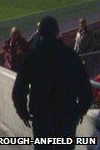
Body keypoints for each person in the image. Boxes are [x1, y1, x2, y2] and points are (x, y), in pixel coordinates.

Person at [12, 16, 93, 150]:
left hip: (42, 116)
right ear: (57, 32)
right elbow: (85, 89)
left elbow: (19, 90)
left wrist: (23, 112)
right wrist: (79, 111)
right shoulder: (71, 55)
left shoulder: (32, 56)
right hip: (66, 115)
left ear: (39, 33)